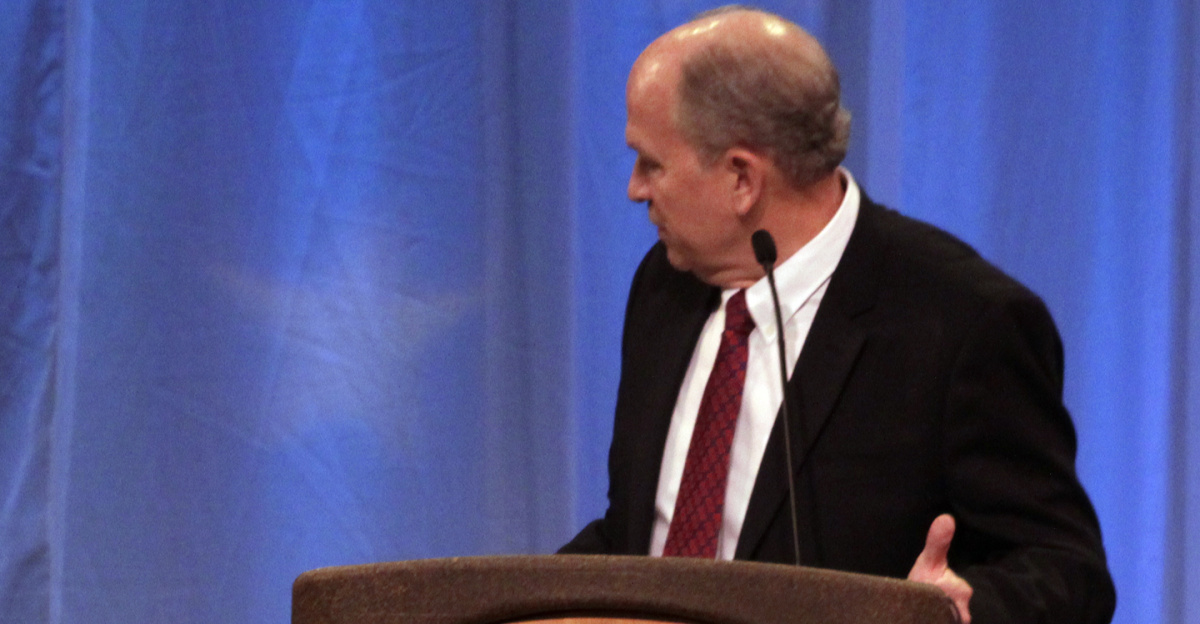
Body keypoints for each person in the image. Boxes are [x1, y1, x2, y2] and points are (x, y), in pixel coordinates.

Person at [558, 6, 1116, 624]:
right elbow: (636, 534)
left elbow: (1066, 570)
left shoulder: (963, 322)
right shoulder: (665, 288)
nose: (635, 188)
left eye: (651, 162)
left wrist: (945, 612)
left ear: (741, 177)